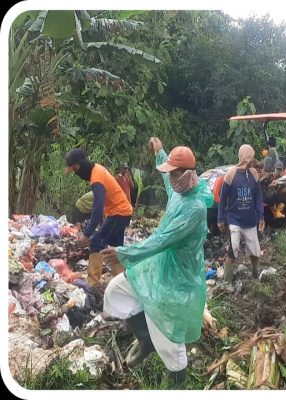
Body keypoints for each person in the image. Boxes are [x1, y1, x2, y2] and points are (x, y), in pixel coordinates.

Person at [100, 137, 213, 388]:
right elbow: (167, 180)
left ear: (187, 174)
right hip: (157, 266)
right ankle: (145, 338)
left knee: (170, 342)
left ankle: (176, 384)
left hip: (178, 279)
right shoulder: (179, 190)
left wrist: (124, 253)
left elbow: (163, 239)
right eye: (170, 173)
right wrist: (161, 153)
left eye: (174, 173)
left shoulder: (195, 208)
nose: (170, 178)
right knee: (115, 292)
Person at [64, 148, 132, 285]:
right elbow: (101, 207)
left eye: (76, 168)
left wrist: (87, 233)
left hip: (118, 213)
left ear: (82, 163)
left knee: (95, 243)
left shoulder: (96, 178)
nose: (76, 172)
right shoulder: (97, 170)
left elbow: (97, 207)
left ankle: (92, 284)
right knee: (115, 248)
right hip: (121, 212)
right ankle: (123, 282)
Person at [218, 144, 265, 282]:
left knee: (255, 251)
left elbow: (258, 197)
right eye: (252, 156)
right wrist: (221, 219)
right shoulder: (231, 174)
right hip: (235, 220)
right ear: (246, 157)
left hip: (250, 221)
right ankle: (227, 281)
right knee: (234, 248)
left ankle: (256, 276)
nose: (254, 159)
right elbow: (223, 198)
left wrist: (261, 216)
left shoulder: (254, 174)